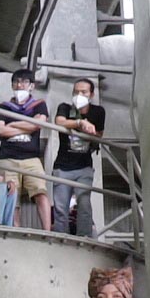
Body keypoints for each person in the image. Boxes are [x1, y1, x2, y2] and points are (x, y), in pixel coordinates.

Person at [0, 69, 51, 230]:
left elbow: (38, 123)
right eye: (16, 82)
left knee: (40, 192)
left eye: (24, 81)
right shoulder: (3, 107)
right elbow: (0, 130)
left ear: (32, 86)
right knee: (12, 197)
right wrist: (27, 127)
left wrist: (12, 124)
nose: (20, 85)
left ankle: (47, 230)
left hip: (31, 158)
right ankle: (15, 229)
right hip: (8, 158)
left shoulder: (39, 105)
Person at [52, 79, 105, 237]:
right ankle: (62, 239)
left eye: (84, 92)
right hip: (62, 167)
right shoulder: (65, 108)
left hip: (84, 167)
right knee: (61, 208)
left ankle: (85, 238)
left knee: (84, 205)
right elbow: (59, 121)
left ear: (92, 94)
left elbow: (100, 134)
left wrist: (92, 132)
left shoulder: (98, 112)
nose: (79, 95)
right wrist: (80, 123)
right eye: (76, 92)